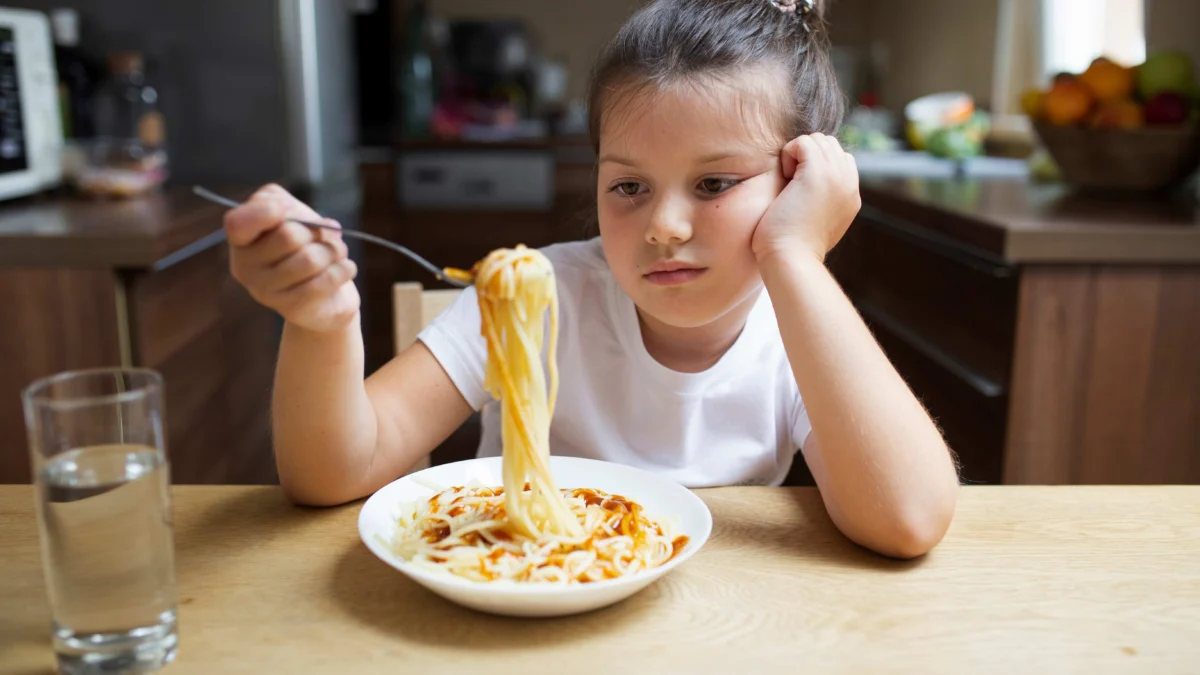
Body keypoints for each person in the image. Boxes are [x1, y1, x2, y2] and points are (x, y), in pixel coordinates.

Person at [222, 0, 959, 559]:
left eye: (714, 183)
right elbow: (330, 472)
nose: (664, 225)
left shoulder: (797, 329)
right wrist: (321, 322)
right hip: (511, 593)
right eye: (629, 187)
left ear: (799, 180)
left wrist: (796, 259)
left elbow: (909, 518)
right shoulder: (536, 295)